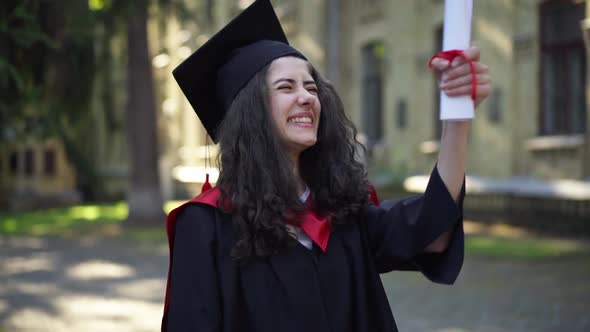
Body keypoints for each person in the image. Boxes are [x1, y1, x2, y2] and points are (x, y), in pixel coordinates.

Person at [162, 0, 491, 331]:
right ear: (251, 112)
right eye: (285, 87)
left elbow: (432, 232)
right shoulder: (208, 224)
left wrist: (457, 118)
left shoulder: (339, 211)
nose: (306, 97)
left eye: (311, 86)